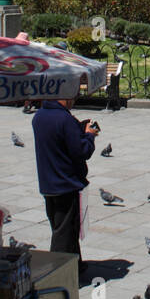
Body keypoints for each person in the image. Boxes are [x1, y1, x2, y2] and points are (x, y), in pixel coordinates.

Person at [31, 96, 99, 267]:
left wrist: (77, 128)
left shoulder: (39, 116)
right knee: (64, 232)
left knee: (64, 226)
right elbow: (82, 151)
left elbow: (58, 141)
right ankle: (58, 271)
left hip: (48, 182)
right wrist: (89, 136)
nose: (74, 98)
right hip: (66, 183)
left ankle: (76, 265)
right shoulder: (64, 119)